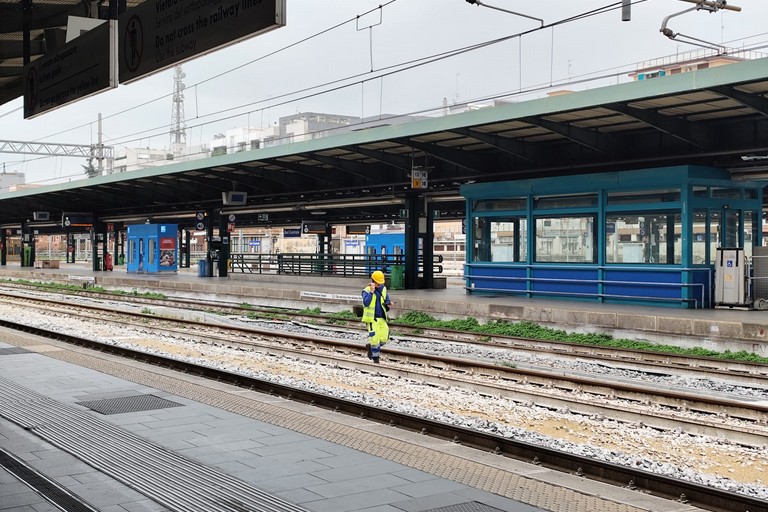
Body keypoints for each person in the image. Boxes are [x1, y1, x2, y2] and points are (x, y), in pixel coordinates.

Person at [361, 270, 393, 364]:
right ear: (373, 281)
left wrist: (389, 303)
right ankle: (376, 360)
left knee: (384, 338)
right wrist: (371, 292)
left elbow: (386, 299)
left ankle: (370, 347)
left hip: (382, 318)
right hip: (372, 319)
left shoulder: (383, 289)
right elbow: (366, 303)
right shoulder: (366, 290)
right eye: (378, 283)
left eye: (380, 283)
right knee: (374, 340)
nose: (379, 285)